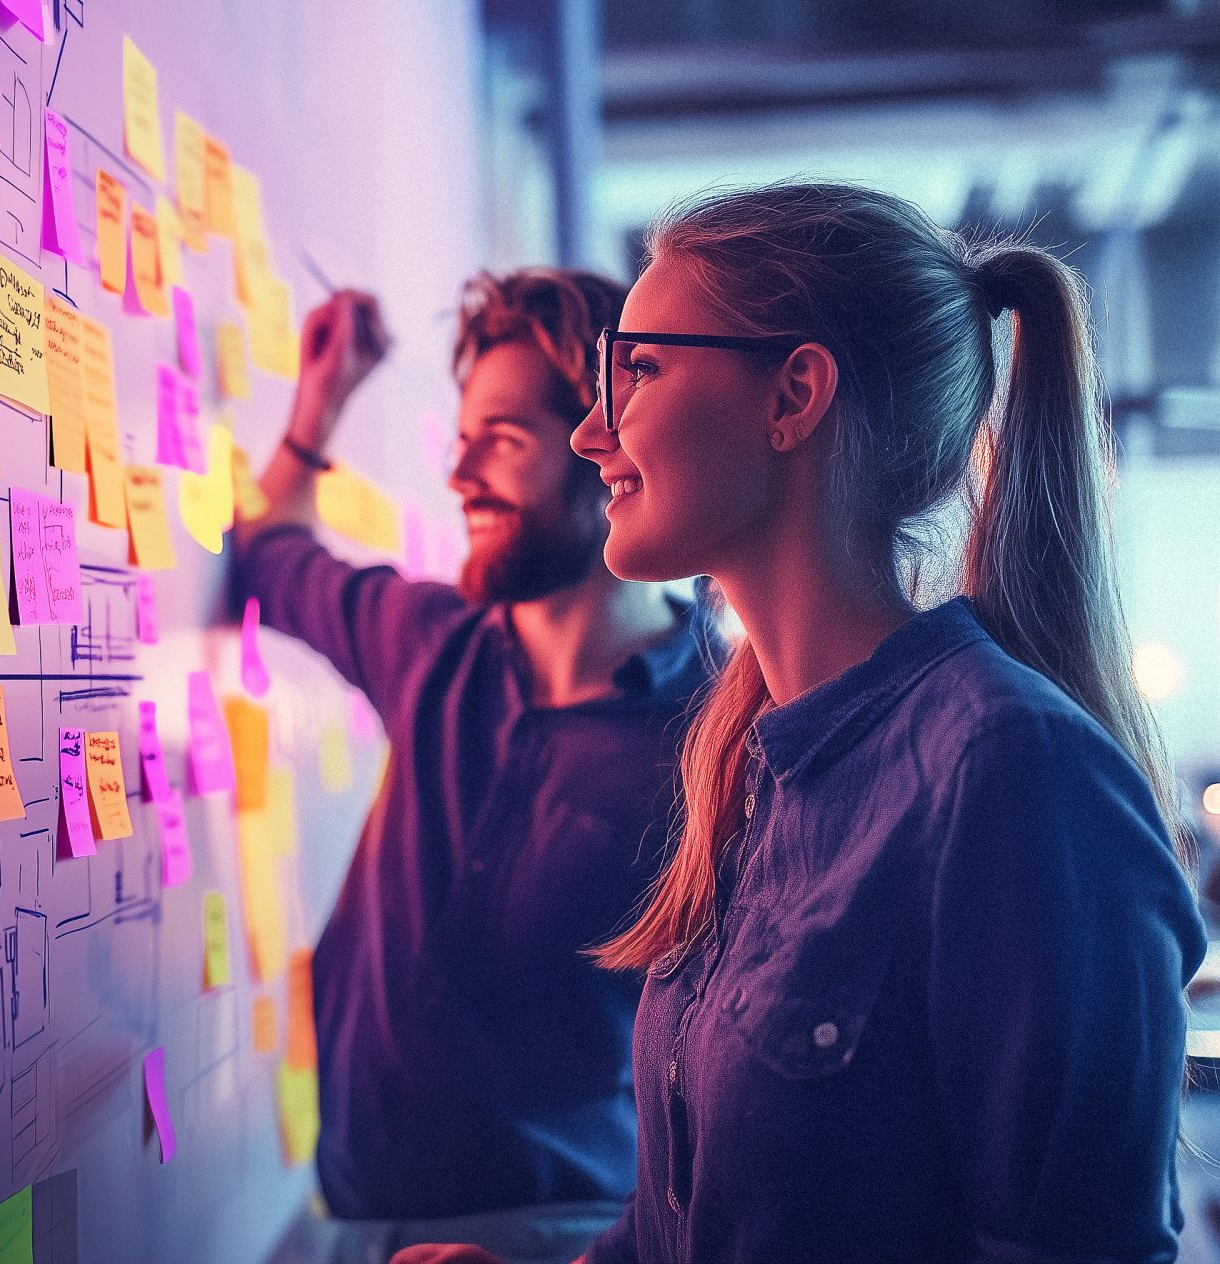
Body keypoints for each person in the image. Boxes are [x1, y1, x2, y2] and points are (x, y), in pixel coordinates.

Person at [399, 180, 1205, 1264]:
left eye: (638, 368)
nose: (594, 430)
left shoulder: (1012, 772)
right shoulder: (744, 762)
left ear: (794, 396)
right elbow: (691, 1219)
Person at [241, 270, 719, 1264]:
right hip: (353, 1223)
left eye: (501, 439)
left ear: (609, 445)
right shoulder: (430, 643)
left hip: (571, 1241)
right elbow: (271, 551)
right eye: (461, 440)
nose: (461, 476)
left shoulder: (720, 730)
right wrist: (319, 401)